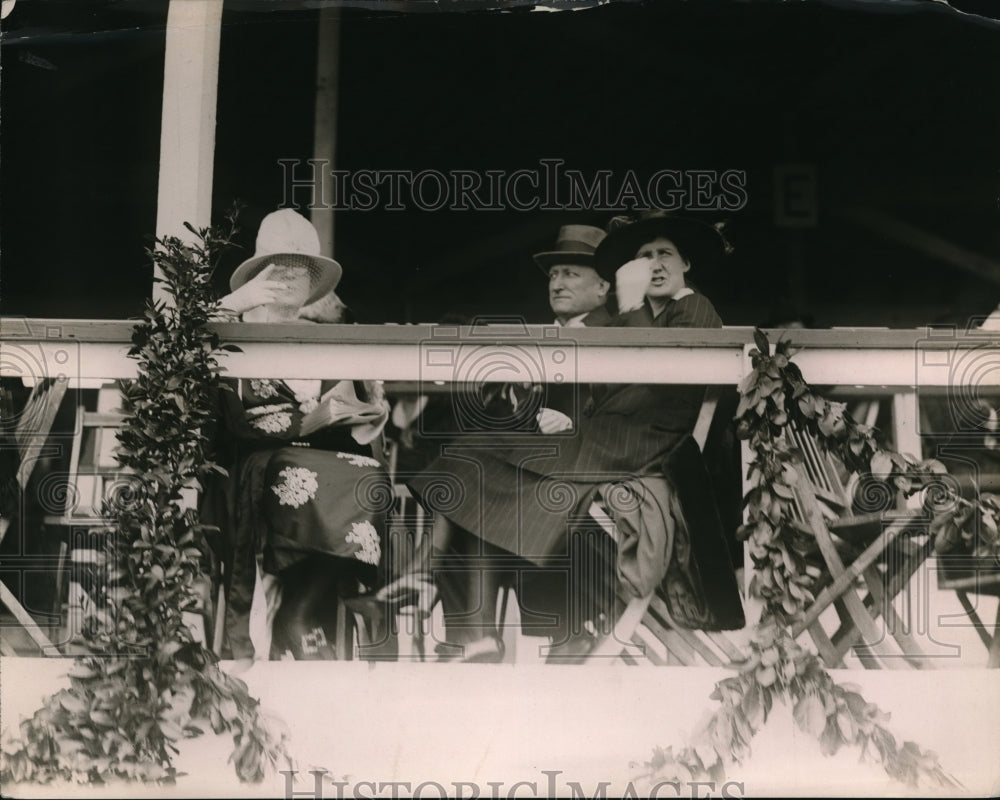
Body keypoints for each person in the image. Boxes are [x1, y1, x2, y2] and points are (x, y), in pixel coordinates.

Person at [406, 213, 743, 662]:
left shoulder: (693, 307)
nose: (654, 264)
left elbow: (654, 371)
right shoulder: (645, 314)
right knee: (473, 462)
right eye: (645, 256)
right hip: (606, 440)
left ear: (686, 263)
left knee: (476, 461)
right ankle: (467, 621)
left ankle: (428, 580)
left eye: (665, 255)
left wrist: (629, 304)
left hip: (642, 447)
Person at [203, 209, 392, 664]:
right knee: (317, 476)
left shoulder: (322, 340)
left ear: (314, 284)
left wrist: (362, 406)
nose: (290, 279)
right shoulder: (233, 329)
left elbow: (354, 407)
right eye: (278, 268)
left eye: (302, 270)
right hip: (254, 461)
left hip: (322, 459)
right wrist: (235, 303)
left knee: (371, 474)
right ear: (256, 276)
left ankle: (302, 611)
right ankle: (299, 621)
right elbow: (181, 348)